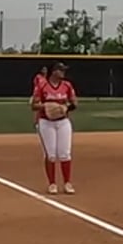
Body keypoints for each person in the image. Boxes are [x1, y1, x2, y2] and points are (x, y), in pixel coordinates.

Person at [32, 62, 79, 195]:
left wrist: (66, 107)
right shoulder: (43, 86)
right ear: (53, 72)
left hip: (63, 121)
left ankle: (67, 183)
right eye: (60, 70)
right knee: (51, 154)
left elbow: (75, 103)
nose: (63, 72)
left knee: (65, 153)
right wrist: (46, 106)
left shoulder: (67, 85)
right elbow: (34, 105)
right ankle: (52, 183)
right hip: (46, 122)